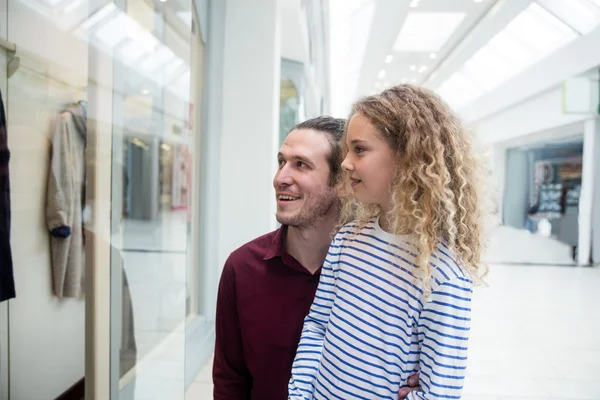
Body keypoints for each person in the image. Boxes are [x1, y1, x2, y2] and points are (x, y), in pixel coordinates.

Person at [289, 85, 488, 399]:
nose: (345, 162)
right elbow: (317, 326)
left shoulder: (443, 276)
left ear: (407, 157)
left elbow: (440, 393)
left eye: (360, 149)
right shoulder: (347, 240)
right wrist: (299, 394)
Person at [213, 116, 420, 399]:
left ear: (341, 182)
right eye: (281, 162)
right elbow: (229, 382)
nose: (280, 179)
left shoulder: (384, 272)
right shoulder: (242, 267)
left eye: (301, 164)